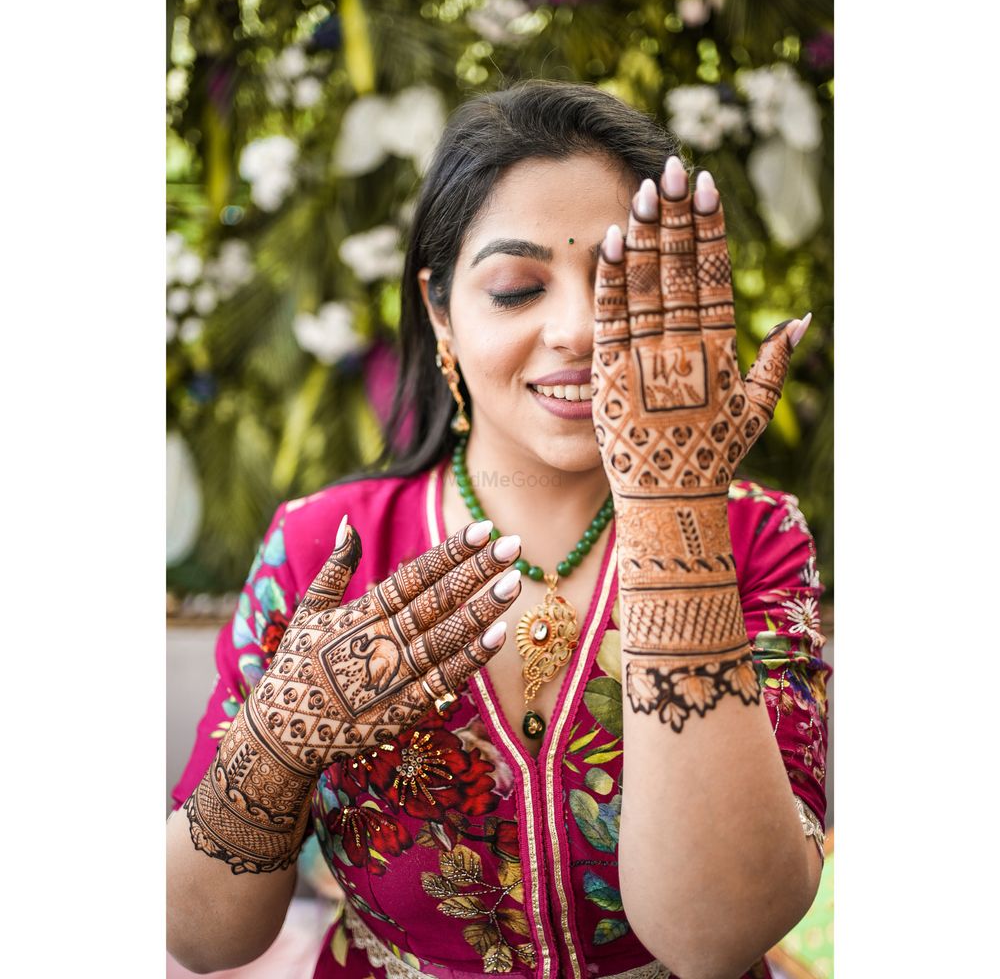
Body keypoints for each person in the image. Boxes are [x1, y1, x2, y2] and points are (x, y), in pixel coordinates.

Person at [167, 80, 831, 979]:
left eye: (617, 282)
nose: (579, 329)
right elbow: (201, 939)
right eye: (517, 289)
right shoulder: (322, 545)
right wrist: (276, 749)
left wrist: (676, 517)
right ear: (441, 312)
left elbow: (714, 940)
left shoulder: (752, 537)